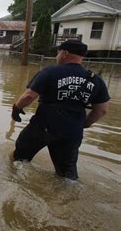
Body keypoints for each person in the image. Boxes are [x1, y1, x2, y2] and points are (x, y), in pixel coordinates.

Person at [11, 40, 110, 180]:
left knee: (19, 159)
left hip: (43, 127)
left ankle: (14, 182)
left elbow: (29, 95)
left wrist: (16, 108)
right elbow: (102, 110)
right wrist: (84, 124)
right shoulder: (95, 80)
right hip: (72, 132)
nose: (57, 57)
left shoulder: (50, 72)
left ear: (65, 53)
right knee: (67, 175)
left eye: (58, 53)